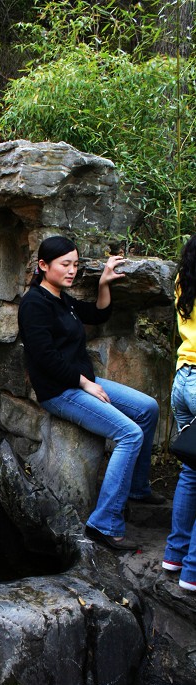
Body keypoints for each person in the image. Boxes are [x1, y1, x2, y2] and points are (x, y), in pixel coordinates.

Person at [18, 235, 163, 551]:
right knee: (130, 434)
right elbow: (45, 358)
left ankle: (137, 488)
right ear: (43, 266)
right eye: (65, 264)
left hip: (81, 381)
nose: (72, 271)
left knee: (148, 407)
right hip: (60, 391)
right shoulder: (34, 304)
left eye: (75, 264)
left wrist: (105, 284)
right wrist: (84, 383)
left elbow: (97, 315)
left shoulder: (61, 298)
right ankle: (104, 523)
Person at [163, 234, 196, 589]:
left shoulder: (183, 278)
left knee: (191, 471)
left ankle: (174, 555)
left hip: (183, 380)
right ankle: (193, 570)